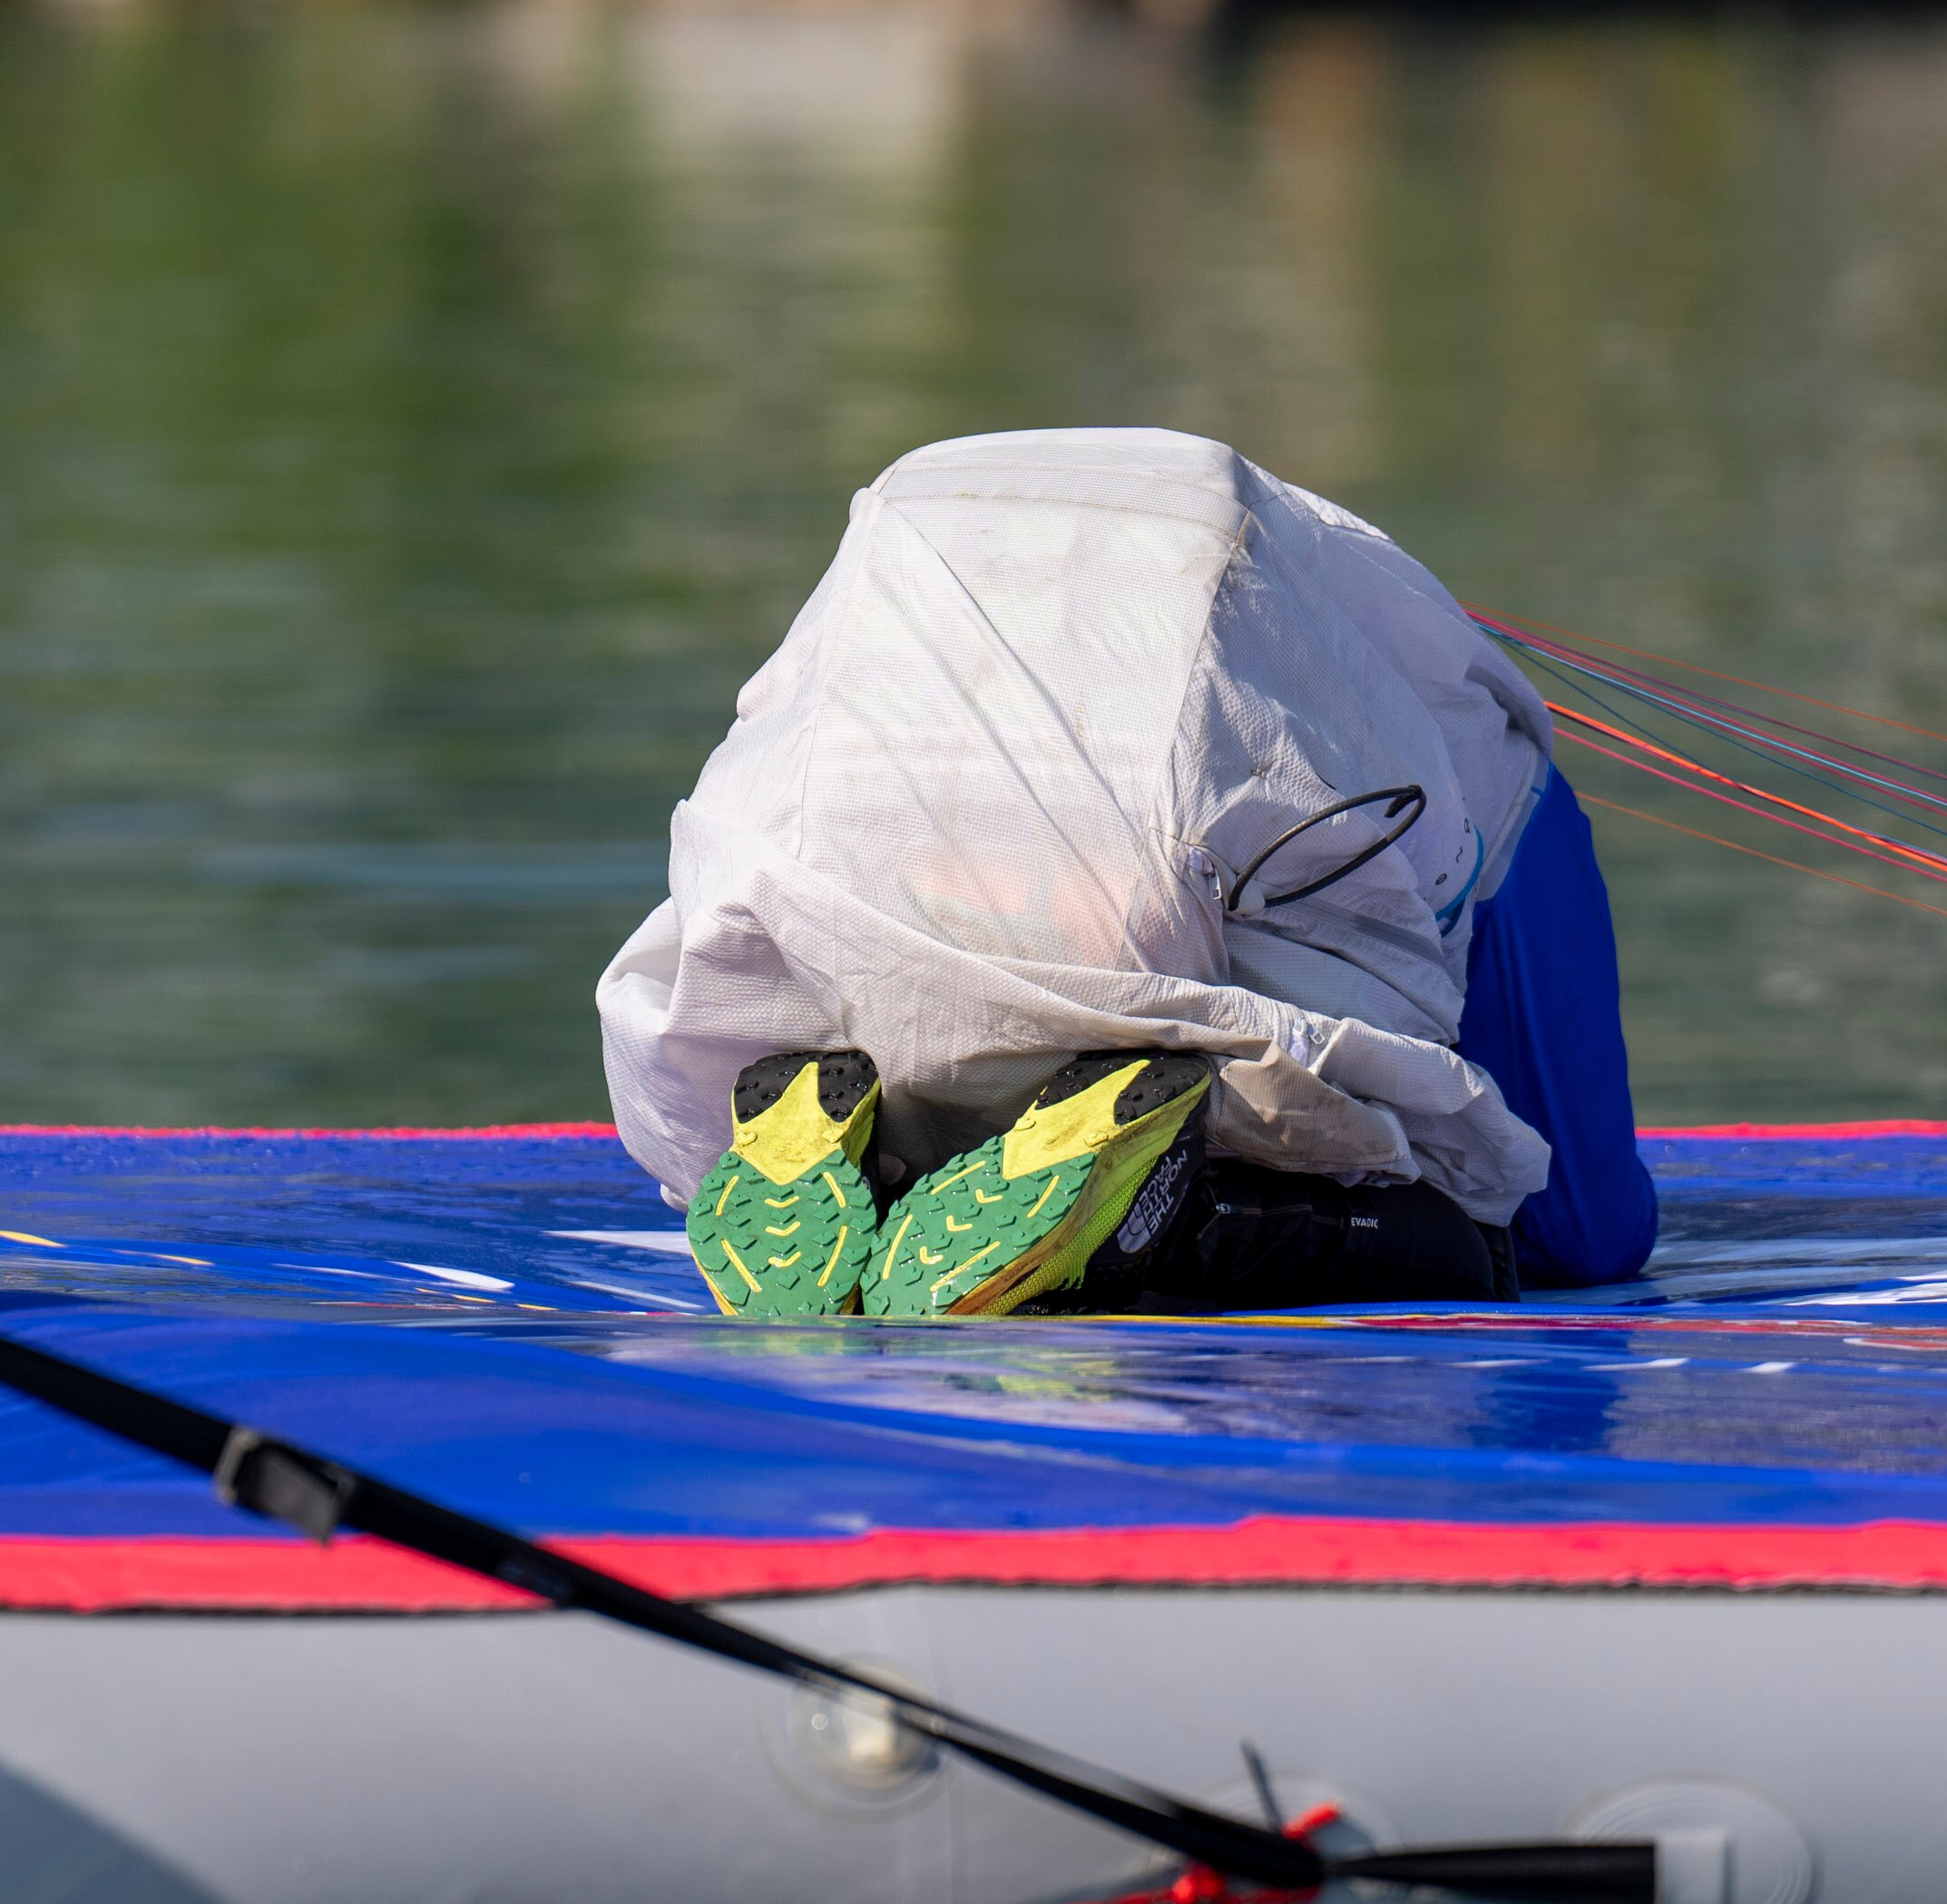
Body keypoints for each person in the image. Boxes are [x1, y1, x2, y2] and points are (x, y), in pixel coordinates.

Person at [595, 429, 1658, 1319]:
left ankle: (877, 1165)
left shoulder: (919, 568)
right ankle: (1166, 1220)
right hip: (1159, 890)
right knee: (1503, 1246)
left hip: (816, 875)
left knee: (999, 1029)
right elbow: (1584, 1213)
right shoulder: (1462, 705)